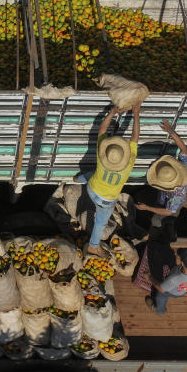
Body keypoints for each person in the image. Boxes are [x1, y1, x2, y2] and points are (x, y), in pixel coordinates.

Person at [74, 104, 141, 257]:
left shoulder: (102, 158)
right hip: (105, 200)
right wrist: (136, 114)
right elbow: (135, 137)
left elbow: (102, 130)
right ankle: (93, 246)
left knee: (93, 174)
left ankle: (79, 178)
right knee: (100, 223)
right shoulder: (128, 166)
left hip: (92, 188)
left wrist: (112, 112)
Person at [135, 119, 187, 230]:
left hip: (168, 207)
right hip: (164, 200)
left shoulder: (176, 197)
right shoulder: (183, 169)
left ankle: (163, 233)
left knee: (156, 221)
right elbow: (184, 150)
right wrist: (171, 132)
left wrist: (147, 208)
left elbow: (168, 211)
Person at [145, 247, 187, 314]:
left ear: (182, 264)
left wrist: (149, 277)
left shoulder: (175, 278)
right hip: (184, 291)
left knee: (161, 295)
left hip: (172, 292)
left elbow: (161, 289)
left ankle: (159, 310)